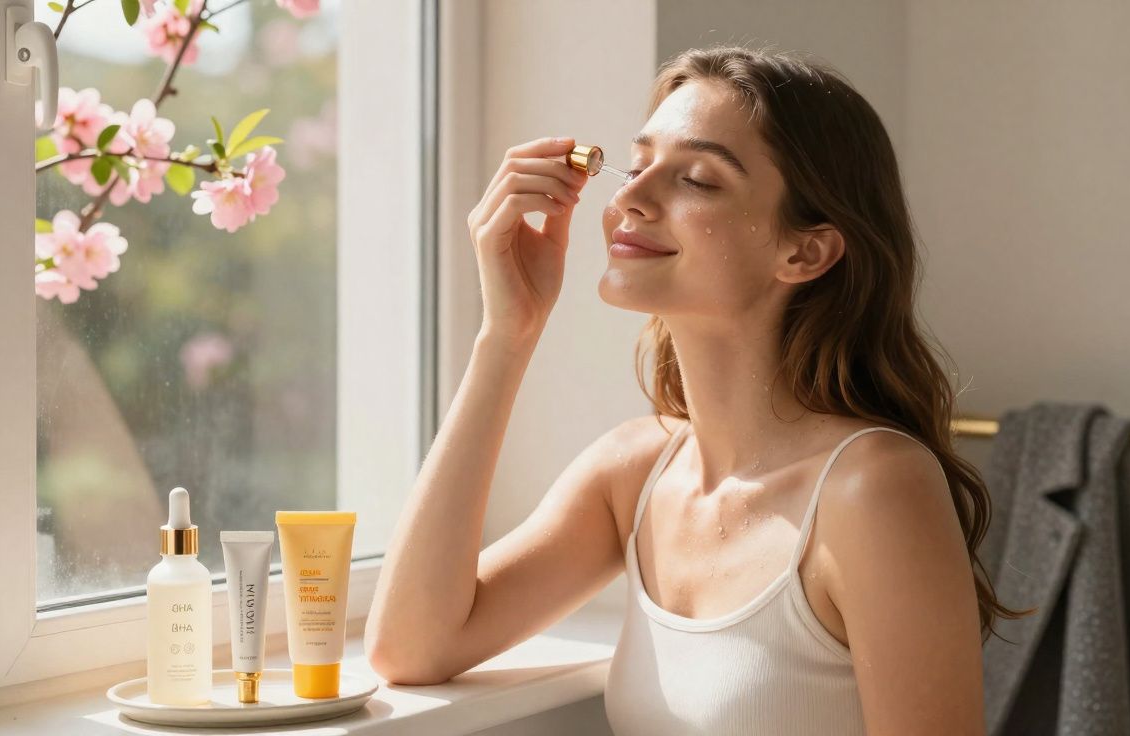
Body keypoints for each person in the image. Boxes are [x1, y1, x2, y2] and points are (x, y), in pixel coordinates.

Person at [365, 44, 1027, 735]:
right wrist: (507, 335)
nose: (628, 198)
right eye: (639, 162)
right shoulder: (635, 472)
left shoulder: (871, 489)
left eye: (698, 181)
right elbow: (411, 647)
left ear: (805, 251)